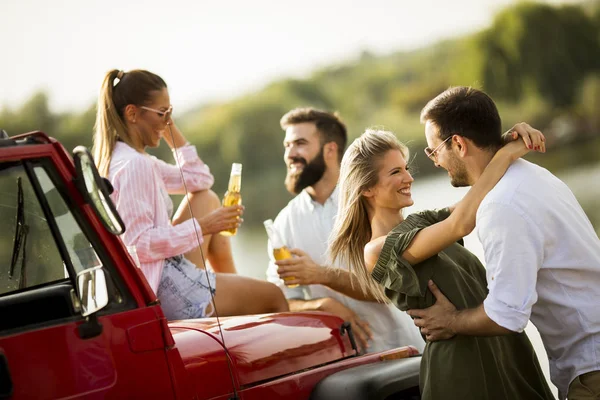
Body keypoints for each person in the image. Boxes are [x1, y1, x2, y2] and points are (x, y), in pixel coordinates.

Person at [328, 129, 555, 399]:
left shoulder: (423, 223)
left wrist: (499, 146)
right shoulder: (376, 250)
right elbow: (461, 223)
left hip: (505, 354)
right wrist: (506, 154)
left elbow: (476, 200)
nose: (409, 177)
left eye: (406, 168)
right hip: (461, 372)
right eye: (395, 172)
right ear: (366, 188)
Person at [405, 86, 600, 400]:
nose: (436, 162)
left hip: (593, 368)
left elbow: (506, 315)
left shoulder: (501, 206)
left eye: (433, 151)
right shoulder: (532, 174)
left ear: (458, 144)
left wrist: (450, 321)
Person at [93, 69, 288, 319]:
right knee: (274, 297)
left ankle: (232, 298)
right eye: (162, 113)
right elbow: (138, 244)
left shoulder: (135, 160)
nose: (167, 121)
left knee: (206, 198)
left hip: (164, 270)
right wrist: (204, 226)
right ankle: (236, 311)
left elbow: (199, 180)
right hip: (160, 284)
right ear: (132, 113)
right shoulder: (134, 165)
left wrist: (169, 129)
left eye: (170, 113)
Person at [266, 107, 424, 353]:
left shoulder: (370, 198)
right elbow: (280, 299)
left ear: (330, 149)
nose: (290, 154)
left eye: (299, 143)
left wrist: (321, 275)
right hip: (345, 364)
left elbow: (397, 286)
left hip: (406, 349)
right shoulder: (283, 222)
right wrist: (323, 304)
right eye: (287, 145)